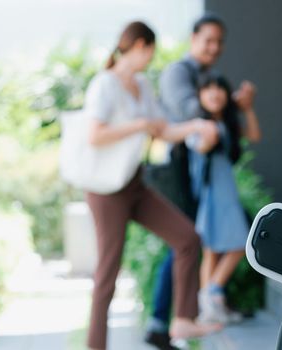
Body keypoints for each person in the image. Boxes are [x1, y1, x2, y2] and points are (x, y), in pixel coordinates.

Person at [83, 21, 220, 350]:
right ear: (140, 46)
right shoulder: (104, 84)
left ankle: (184, 319)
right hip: (106, 192)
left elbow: (163, 130)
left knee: (188, 238)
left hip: (134, 185)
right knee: (108, 273)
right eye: (151, 51)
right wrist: (139, 124)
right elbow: (95, 135)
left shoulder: (142, 85)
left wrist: (197, 126)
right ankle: (94, 345)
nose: (151, 59)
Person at [145, 13, 261, 349]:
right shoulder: (179, 72)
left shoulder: (210, 76)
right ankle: (169, 318)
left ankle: (188, 312)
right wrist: (223, 107)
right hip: (181, 170)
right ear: (193, 39)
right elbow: (187, 113)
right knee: (184, 241)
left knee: (191, 242)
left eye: (219, 42)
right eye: (207, 40)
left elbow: (234, 127)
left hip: (198, 171)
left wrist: (234, 108)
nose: (214, 47)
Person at [191, 74, 261, 323]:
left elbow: (254, 135)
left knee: (218, 248)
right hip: (211, 192)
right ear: (199, 96)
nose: (214, 94)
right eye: (208, 89)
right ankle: (212, 296)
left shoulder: (226, 123)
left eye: (219, 89)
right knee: (225, 246)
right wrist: (207, 132)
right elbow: (200, 145)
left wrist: (246, 108)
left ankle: (209, 302)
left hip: (223, 191)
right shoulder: (199, 124)